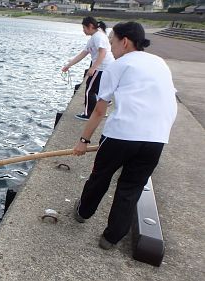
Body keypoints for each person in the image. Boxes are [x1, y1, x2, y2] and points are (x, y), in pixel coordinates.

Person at [71, 22, 177, 250]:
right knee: (131, 188)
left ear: (125, 41)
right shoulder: (160, 63)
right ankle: (111, 238)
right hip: (156, 138)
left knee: (100, 177)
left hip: (121, 135)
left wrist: (83, 140)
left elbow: (100, 110)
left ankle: (83, 212)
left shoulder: (117, 66)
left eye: (112, 43)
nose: (111, 48)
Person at [62, 17, 115, 121]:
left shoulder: (98, 37)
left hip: (102, 68)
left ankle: (89, 114)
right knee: (98, 91)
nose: (83, 30)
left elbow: (103, 52)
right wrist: (68, 65)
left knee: (89, 90)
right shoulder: (94, 37)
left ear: (90, 26)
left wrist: (93, 68)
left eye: (84, 27)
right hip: (105, 67)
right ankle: (100, 112)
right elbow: (83, 53)